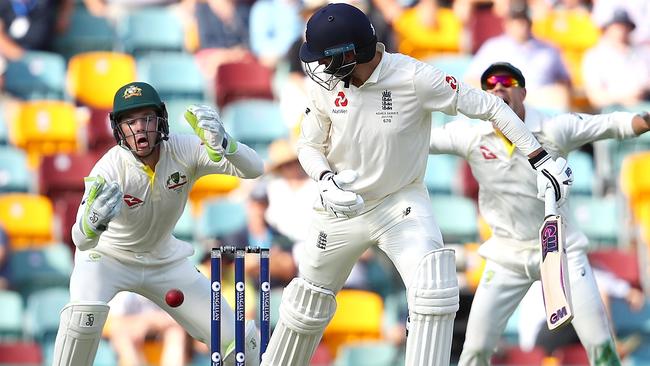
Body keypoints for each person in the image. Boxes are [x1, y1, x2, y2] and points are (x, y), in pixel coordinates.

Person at [260, 4, 573, 366]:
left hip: (400, 205)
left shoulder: (413, 76)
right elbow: (309, 146)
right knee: (306, 303)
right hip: (341, 205)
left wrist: (540, 158)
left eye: (326, 59)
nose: (319, 69)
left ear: (349, 53)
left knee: (433, 288)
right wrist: (325, 180)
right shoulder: (326, 86)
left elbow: (492, 107)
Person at [428, 61, 650, 365]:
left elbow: (613, 124)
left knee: (601, 345)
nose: (497, 88)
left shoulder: (554, 128)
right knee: (476, 348)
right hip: (507, 255)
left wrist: (645, 119)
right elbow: (420, 141)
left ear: (523, 93)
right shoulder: (472, 136)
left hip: (561, 251)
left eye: (506, 82)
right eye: (489, 85)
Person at [51, 81, 265, 366]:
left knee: (240, 345)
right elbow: (82, 240)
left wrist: (226, 143)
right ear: (118, 129)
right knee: (81, 321)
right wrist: (91, 224)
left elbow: (254, 169)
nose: (138, 128)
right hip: (107, 258)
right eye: (129, 121)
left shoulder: (183, 149)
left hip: (164, 260)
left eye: (145, 119)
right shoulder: (109, 168)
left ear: (160, 119)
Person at [107, 291, 190, 366]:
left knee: (176, 332)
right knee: (121, 334)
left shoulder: (165, 290)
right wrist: (141, 324)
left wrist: (148, 323)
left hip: (159, 333)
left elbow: (177, 319)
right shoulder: (125, 293)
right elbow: (115, 322)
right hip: (132, 335)